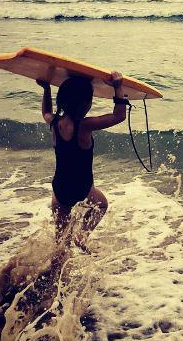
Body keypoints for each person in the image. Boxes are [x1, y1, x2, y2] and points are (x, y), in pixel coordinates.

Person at [37, 73, 127, 248]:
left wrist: (46, 89)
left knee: (61, 239)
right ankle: (82, 234)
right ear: (86, 104)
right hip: (81, 186)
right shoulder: (85, 126)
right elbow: (119, 116)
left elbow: (46, 112)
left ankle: (57, 268)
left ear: (61, 100)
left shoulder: (54, 122)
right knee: (101, 205)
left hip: (60, 187)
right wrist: (118, 87)